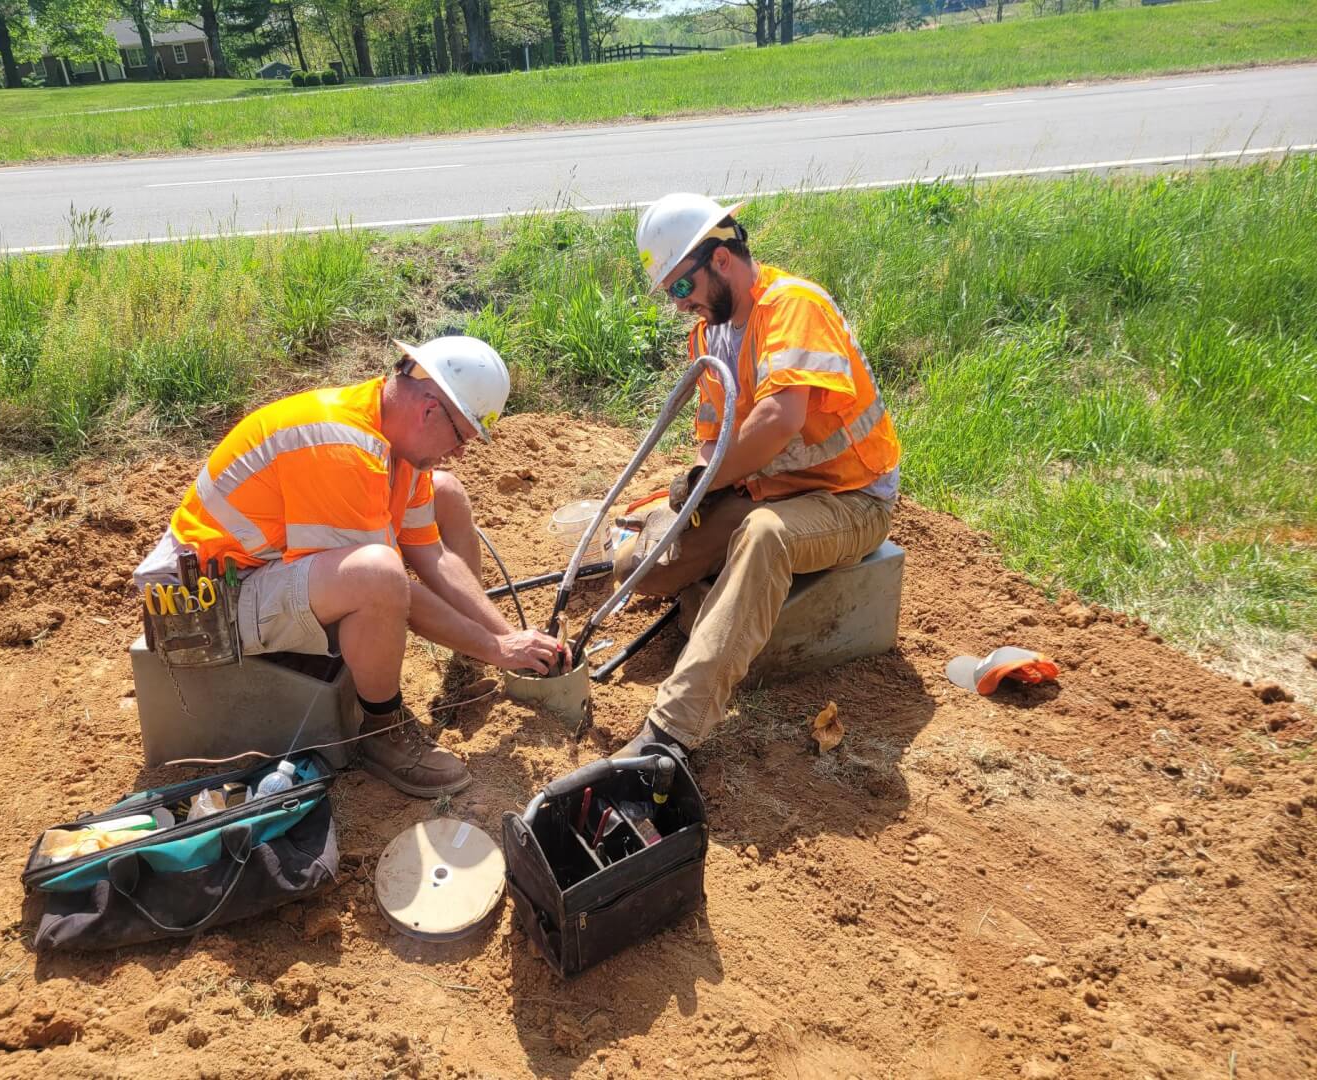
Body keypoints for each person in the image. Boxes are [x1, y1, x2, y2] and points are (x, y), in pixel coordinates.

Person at [135, 336, 570, 798]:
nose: (461, 451)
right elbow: (391, 588)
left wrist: (504, 637)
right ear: (429, 410)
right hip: (206, 604)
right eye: (462, 435)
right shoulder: (341, 446)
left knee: (446, 492)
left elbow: (433, 556)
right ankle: (380, 729)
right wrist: (496, 648)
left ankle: (469, 648)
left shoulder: (393, 439)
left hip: (261, 570)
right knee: (378, 576)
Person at [612, 194, 902, 758]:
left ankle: (672, 732)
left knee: (763, 536)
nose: (680, 306)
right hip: (767, 490)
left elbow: (778, 419)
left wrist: (713, 480)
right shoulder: (709, 336)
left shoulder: (792, 304)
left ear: (720, 259)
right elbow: (710, 435)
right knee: (638, 569)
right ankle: (713, 584)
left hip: (850, 498)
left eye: (681, 288)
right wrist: (700, 478)